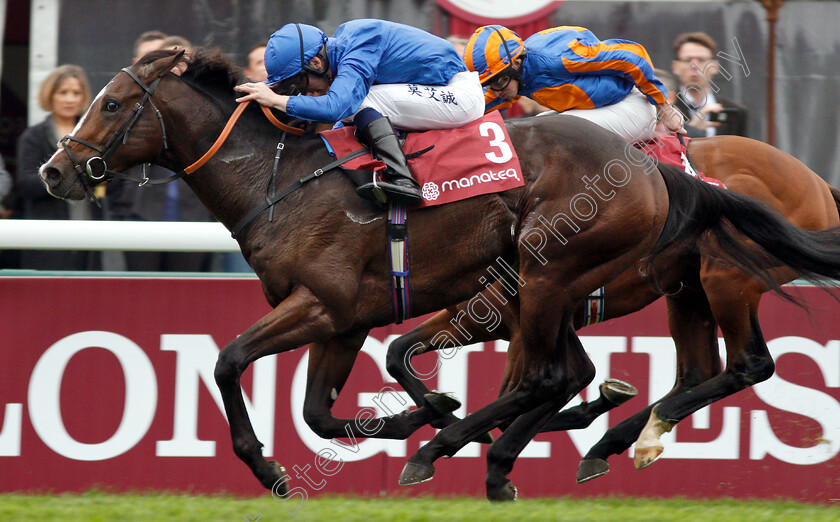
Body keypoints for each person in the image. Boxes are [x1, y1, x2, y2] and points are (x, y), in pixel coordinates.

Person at [234, 20, 486, 206]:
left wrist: (278, 100)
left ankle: (402, 181)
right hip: (437, 91)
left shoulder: (359, 44)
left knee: (360, 103)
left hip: (460, 96)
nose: (302, 91)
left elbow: (338, 107)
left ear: (316, 63)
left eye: (300, 83)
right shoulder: (344, 48)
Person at [464, 25, 685, 143]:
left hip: (630, 105)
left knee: (548, 132)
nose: (497, 90)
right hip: (598, 111)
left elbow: (633, 57)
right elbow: (483, 105)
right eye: (488, 84)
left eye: (500, 80)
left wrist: (663, 106)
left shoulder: (557, 58)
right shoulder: (515, 74)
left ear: (517, 62)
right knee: (522, 132)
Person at [107, 33, 215, 273]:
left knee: (187, 295)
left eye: (185, 61)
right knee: (142, 295)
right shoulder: (138, 109)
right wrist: (123, 213)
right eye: (172, 61)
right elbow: (116, 160)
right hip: (142, 218)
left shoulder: (212, 111)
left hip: (194, 223)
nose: (178, 67)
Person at [15, 64, 103, 270]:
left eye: (76, 93)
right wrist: (64, 178)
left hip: (90, 234)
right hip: (47, 237)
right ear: (50, 95)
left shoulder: (95, 136)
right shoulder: (33, 136)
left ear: (84, 98)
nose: (70, 99)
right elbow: (25, 184)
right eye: (63, 92)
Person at [671, 32, 748, 137]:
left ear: (715, 67)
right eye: (687, 60)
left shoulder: (736, 112)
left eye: (701, 60)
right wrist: (693, 130)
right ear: (675, 67)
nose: (694, 66)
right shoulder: (664, 109)